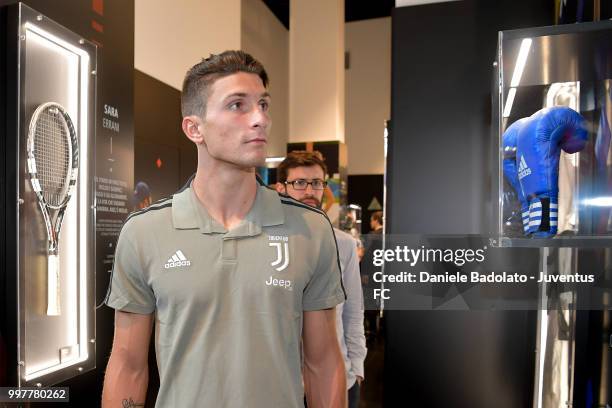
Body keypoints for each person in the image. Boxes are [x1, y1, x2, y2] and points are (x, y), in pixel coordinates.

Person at [102, 51, 347, 408]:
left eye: (263, 104)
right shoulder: (144, 232)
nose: (260, 118)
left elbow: (323, 363)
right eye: (237, 105)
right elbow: (128, 364)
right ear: (194, 128)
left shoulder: (310, 229)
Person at [276, 151, 367, 408]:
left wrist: (357, 367)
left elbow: (352, 311)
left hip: (337, 379)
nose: (310, 190)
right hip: (283, 383)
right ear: (281, 188)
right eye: (300, 183)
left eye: (317, 183)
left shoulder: (344, 244)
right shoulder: (267, 242)